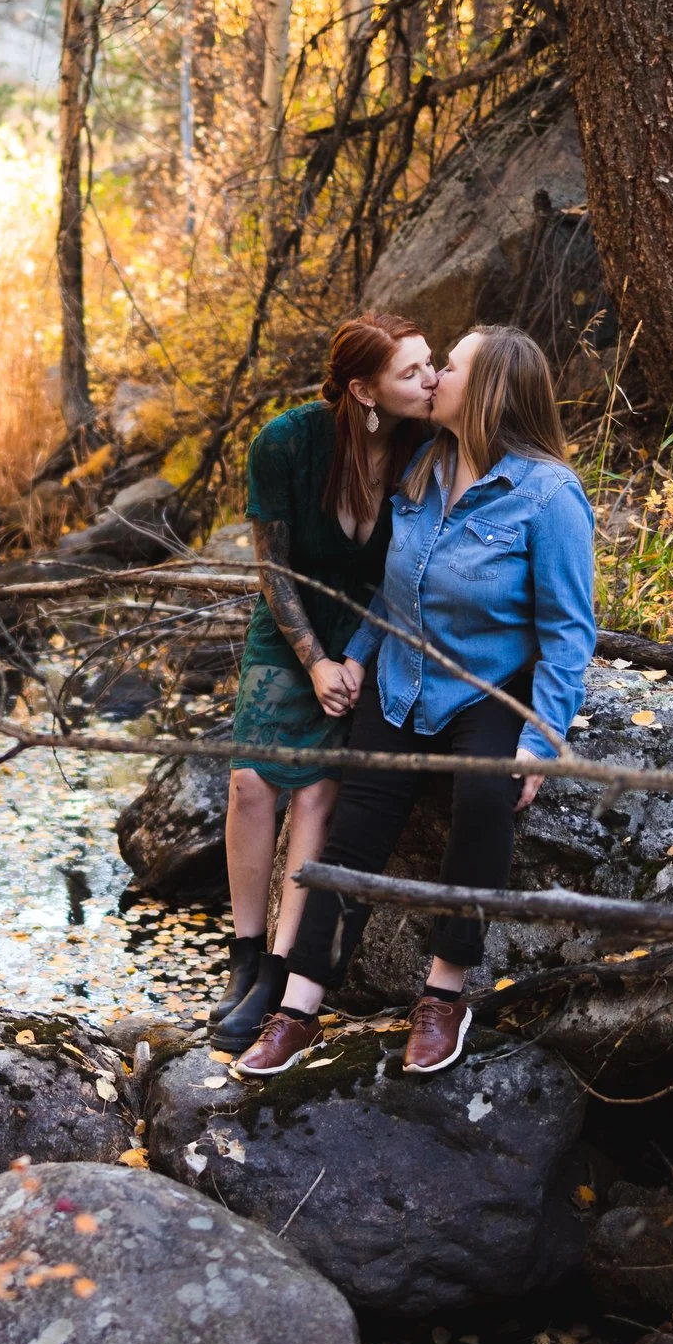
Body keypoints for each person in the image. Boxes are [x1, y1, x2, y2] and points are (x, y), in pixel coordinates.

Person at [232, 324, 597, 1078]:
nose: (435, 378)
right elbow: (396, 592)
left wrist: (543, 737)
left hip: (487, 686)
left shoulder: (548, 495)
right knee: (355, 833)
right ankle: (298, 1007)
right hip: (401, 681)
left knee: (484, 798)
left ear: (488, 390)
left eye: (448, 367)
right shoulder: (425, 465)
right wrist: (357, 656)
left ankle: (443, 994)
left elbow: (568, 632)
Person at [207, 312, 437, 1054]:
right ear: (366, 391)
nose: (430, 380)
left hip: (371, 631)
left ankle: (280, 970)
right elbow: (272, 569)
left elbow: (408, 572)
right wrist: (312, 660)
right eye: (411, 371)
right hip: (291, 626)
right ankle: (245, 957)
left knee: (316, 793)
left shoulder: (426, 447)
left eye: (430, 365)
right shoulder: (286, 442)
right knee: (250, 783)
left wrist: (356, 659)